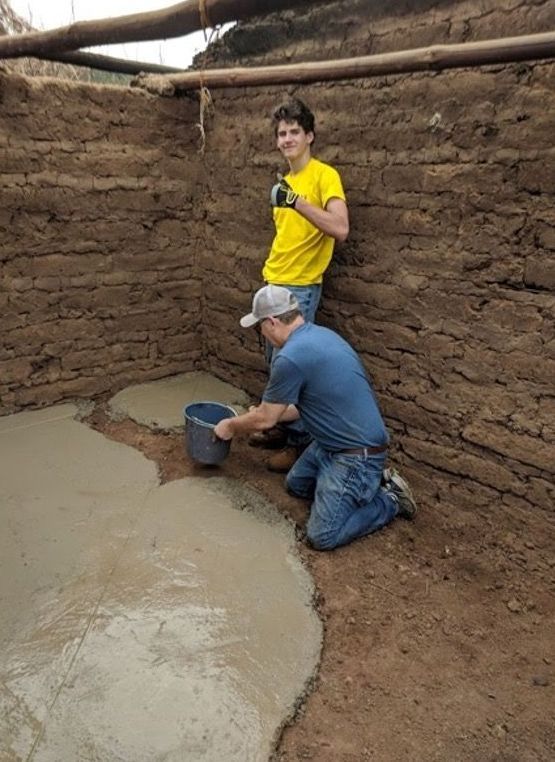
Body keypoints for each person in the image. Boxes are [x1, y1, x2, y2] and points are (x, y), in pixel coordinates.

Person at [215, 285, 417, 551]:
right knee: (296, 486)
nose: (261, 333)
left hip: (356, 455)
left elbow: (265, 421)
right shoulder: (320, 336)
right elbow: (301, 408)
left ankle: (389, 499)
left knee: (322, 536)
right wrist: (268, 412)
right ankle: (350, 488)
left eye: (260, 327)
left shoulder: (290, 357)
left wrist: (230, 425)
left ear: (272, 322)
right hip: (331, 443)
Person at [251, 97, 350, 472]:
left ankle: (299, 446)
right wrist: (287, 198)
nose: (287, 138)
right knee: (276, 367)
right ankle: (278, 427)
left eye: (295, 132)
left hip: (300, 289)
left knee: (294, 370)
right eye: (281, 133)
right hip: (274, 281)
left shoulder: (324, 176)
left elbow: (340, 229)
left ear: (310, 136)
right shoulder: (285, 184)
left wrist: (296, 202)